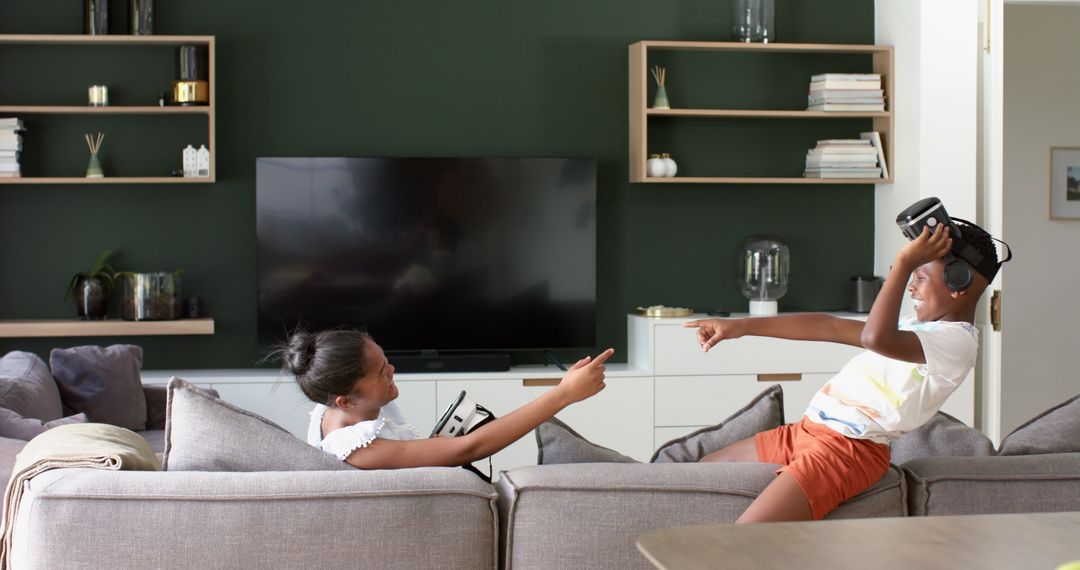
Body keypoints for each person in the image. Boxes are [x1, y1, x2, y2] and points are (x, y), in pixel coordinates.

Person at [684, 221, 1008, 523]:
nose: (911, 287)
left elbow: (874, 337)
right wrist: (740, 327)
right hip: (806, 432)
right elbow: (830, 326)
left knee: (746, 534)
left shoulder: (956, 343)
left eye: (920, 277)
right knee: (702, 474)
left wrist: (905, 262)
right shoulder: (916, 328)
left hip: (847, 451)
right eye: (912, 276)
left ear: (959, 283)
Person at [280, 328, 614, 470]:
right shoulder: (359, 448)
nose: (392, 370)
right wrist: (563, 394)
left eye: (387, 361)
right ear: (346, 401)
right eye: (382, 372)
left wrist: (427, 447)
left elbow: (402, 457)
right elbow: (469, 449)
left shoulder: (328, 409)